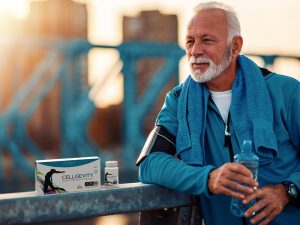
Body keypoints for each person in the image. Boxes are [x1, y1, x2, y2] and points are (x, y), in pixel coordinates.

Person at [137, 1, 300, 225]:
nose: (195, 51)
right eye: (190, 41)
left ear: (235, 46)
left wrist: (288, 191)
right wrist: (209, 178)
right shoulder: (177, 101)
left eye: (207, 40)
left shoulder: (287, 92)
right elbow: (149, 163)